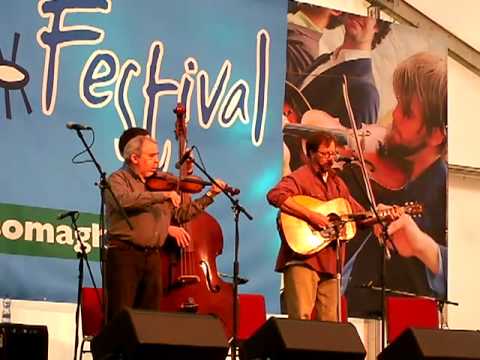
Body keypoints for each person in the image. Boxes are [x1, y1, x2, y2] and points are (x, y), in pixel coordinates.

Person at [341, 52, 448, 316]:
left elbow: (470, 273)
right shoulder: (369, 172)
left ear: (436, 135)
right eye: (399, 104)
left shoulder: (444, 193)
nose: (394, 116)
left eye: (408, 113)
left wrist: (424, 247)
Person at [104, 127, 226, 322]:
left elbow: (182, 214)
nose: (157, 161)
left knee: (149, 318)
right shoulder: (117, 179)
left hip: (152, 257)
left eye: (157, 155)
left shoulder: (160, 184)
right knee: (121, 315)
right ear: (134, 158)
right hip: (125, 255)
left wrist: (209, 196)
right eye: (151, 156)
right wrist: (162, 195)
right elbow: (124, 200)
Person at [266, 131, 365, 321]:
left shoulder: (338, 184)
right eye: (325, 154)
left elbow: (358, 215)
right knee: (301, 319)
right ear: (310, 153)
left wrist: (382, 215)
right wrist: (312, 216)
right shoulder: (300, 177)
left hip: (330, 262)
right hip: (303, 259)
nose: (330, 159)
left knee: (330, 324)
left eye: (333, 154)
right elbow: (275, 195)